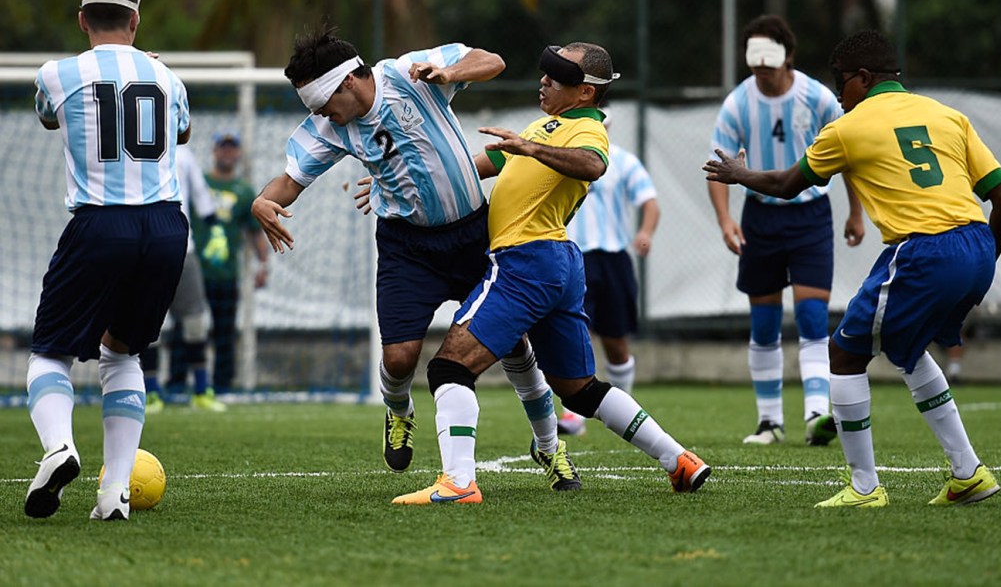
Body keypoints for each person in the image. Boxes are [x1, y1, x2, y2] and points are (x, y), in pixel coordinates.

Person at [703, 29, 1001, 507]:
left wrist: (740, 175)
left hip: (922, 251)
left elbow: (789, 184)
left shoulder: (849, 126)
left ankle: (865, 487)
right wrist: (981, 263)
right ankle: (968, 474)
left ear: (864, 79)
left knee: (844, 354)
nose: (837, 95)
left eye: (841, 83)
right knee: (908, 352)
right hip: (976, 244)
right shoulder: (947, 115)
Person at [253, 27, 577, 489]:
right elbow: (287, 182)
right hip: (407, 248)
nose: (324, 116)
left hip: (473, 235)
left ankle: (549, 447)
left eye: (325, 105)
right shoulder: (331, 127)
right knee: (400, 358)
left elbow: (493, 59)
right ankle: (399, 411)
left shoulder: (409, 73)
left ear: (347, 83)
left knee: (514, 343)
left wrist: (449, 72)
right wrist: (261, 201)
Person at [392, 43, 710, 505]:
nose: (543, 81)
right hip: (556, 264)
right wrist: (404, 179)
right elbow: (474, 168)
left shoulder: (587, 129)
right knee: (579, 390)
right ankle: (678, 460)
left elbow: (594, 164)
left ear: (584, 92)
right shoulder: (546, 126)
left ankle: (459, 483)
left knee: (448, 367)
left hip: (526, 261)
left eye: (556, 76)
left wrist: (529, 146)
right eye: (545, 72)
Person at [25, 0, 191, 521]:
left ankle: (59, 448)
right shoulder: (169, 79)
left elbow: (51, 120)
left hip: (101, 225)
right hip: (167, 227)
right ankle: (114, 493)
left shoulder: (57, 74)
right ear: (136, 20)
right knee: (122, 352)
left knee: (50, 349)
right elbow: (182, 132)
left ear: (82, 20)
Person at [707, 14, 865, 447]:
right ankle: (769, 422)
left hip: (810, 216)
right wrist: (725, 219)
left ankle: (817, 414)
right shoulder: (737, 103)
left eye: (768, 57)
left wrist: (856, 212)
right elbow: (717, 166)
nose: (761, 67)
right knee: (764, 321)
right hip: (761, 217)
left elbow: (848, 154)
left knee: (814, 316)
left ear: (788, 55)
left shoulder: (817, 98)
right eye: (753, 58)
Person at [558, 129, 660, 436]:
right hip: (574, 254)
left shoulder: (623, 161)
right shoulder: (559, 156)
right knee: (577, 333)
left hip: (614, 257)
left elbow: (650, 201)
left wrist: (645, 233)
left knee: (616, 340)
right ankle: (573, 416)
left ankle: (624, 407)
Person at [143, 144, 227, 413]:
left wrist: (215, 228)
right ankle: (150, 392)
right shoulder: (130, 149)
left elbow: (200, 193)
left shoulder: (183, 153)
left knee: (196, 322)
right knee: (144, 325)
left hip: (183, 249)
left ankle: (202, 390)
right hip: (141, 249)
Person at [189, 130, 269, 395]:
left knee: (224, 332)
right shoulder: (198, 184)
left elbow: (254, 230)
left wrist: (263, 264)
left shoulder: (243, 191)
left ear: (238, 153)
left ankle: (222, 384)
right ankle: (178, 382)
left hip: (226, 274)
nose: (226, 152)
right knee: (186, 328)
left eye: (231, 148)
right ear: (214, 151)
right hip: (194, 271)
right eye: (222, 147)